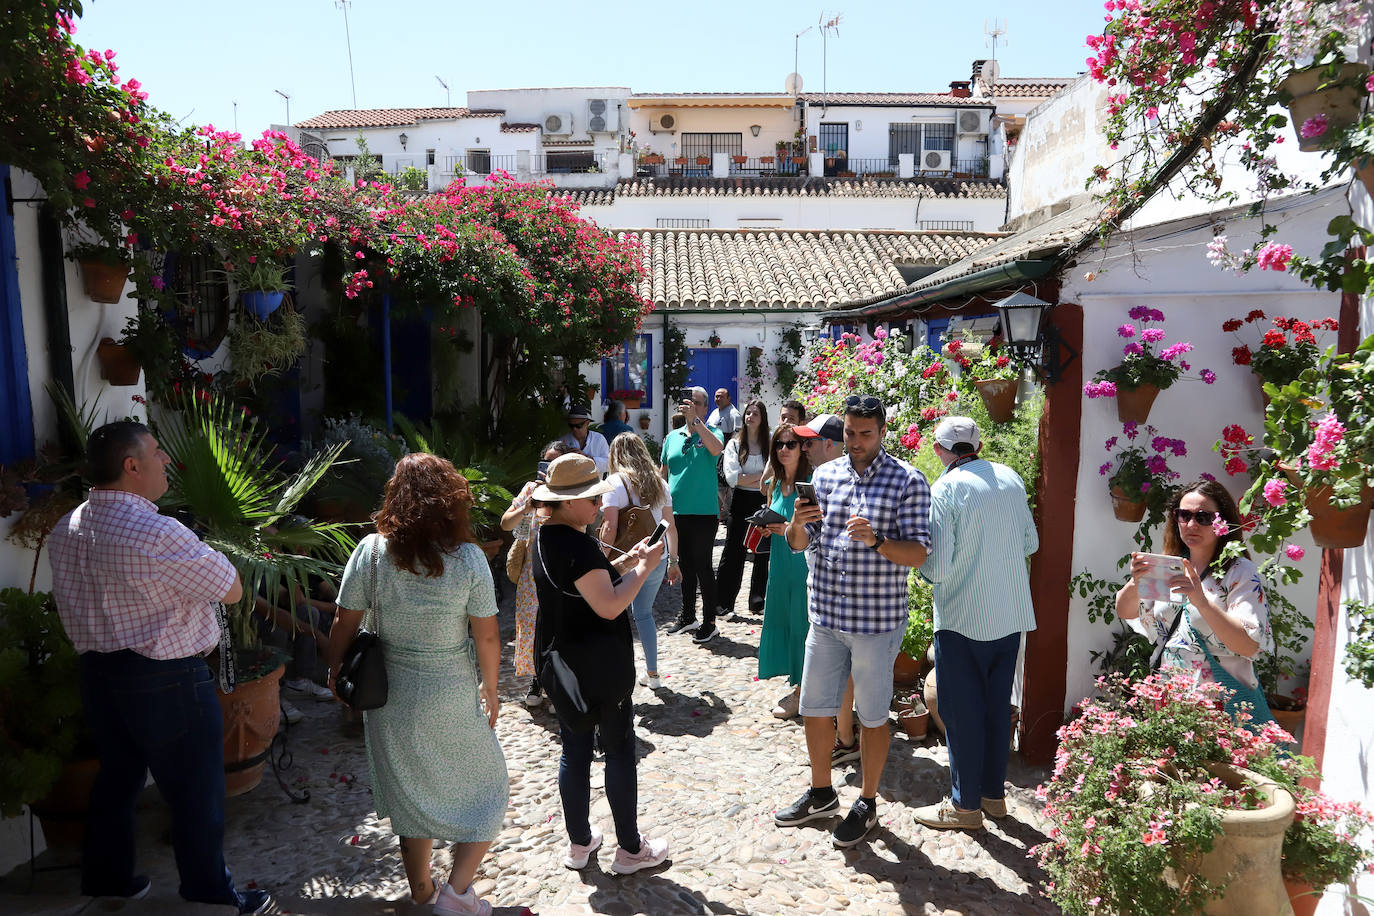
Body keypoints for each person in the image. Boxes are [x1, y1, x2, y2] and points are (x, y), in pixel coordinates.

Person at [46, 421, 271, 914]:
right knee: (195, 787)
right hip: (164, 675)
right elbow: (230, 588)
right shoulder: (154, 529)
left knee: (118, 778)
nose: (166, 459)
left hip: (99, 673)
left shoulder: (68, 527)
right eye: (156, 452)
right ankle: (211, 894)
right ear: (132, 466)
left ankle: (108, 879)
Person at [327, 454, 508, 915]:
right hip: (450, 691)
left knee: (410, 791)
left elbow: (344, 621)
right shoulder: (468, 559)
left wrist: (334, 672)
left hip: (389, 693)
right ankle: (456, 893)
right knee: (490, 790)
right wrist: (492, 688)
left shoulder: (370, 552)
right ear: (452, 502)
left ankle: (423, 893)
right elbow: (486, 634)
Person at [775, 394, 931, 848]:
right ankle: (822, 792)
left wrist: (879, 540)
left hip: (875, 621)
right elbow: (798, 543)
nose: (856, 441)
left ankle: (867, 802)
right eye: (849, 432)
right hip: (825, 614)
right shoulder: (823, 476)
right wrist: (799, 524)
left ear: (883, 432)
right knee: (816, 707)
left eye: (866, 433)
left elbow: (920, 553)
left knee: (873, 714)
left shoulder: (907, 481)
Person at [531, 454, 671, 875]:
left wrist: (626, 562)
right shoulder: (575, 543)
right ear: (568, 502)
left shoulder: (547, 535)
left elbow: (588, 583)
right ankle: (631, 849)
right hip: (599, 665)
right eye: (591, 498)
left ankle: (579, 843)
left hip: (563, 662)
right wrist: (644, 569)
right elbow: (608, 605)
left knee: (574, 751)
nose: (598, 505)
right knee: (618, 750)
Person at [911, 417, 1039, 832]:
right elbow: (1030, 543)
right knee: (996, 707)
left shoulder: (945, 488)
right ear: (978, 443)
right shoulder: (1010, 477)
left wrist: (920, 570)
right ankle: (993, 796)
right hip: (1010, 612)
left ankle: (965, 806)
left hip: (964, 615)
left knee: (962, 711)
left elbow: (939, 566)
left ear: (939, 450)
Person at [1116, 479, 1274, 719]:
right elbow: (1126, 611)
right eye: (1183, 515)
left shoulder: (1239, 571)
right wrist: (1135, 584)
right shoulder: (1171, 565)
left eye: (1203, 517)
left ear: (1223, 522)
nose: (1191, 524)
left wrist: (1201, 601)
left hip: (1220, 706)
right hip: (1168, 699)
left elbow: (1248, 644)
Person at [793, 412, 859, 760]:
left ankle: (846, 737)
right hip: (823, 586)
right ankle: (844, 733)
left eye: (809, 442)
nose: (804, 448)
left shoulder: (844, 483)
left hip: (838, 593)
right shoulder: (822, 480)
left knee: (841, 667)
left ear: (830, 444)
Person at [600, 435, 680, 688]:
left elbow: (610, 527)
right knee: (644, 614)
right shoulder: (660, 483)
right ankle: (653, 674)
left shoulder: (614, 483)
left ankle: (616, 674)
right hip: (656, 556)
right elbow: (671, 527)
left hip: (625, 559)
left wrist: (600, 560)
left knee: (614, 615)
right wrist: (673, 561)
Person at [501, 440, 575, 708]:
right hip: (532, 573)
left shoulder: (572, 491)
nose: (547, 468)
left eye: (554, 463)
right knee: (531, 626)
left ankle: (558, 685)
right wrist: (528, 506)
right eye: (545, 462)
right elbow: (506, 522)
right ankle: (537, 678)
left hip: (563, 570)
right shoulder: (531, 490)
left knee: (560, 627)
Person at [660, 386, 725, 642]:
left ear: (705, 408)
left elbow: (716, 448)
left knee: (702, 566)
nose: (691, 406)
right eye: (688, 402)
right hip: (677, 512)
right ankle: (688, 616)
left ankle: (709, 621)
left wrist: (696, 423)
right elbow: (663, 471)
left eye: (697, 403)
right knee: (683, 565)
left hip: (703, 512)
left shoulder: (711, 432)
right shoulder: (672, 437)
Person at [757, 422, 813, 718]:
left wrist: (785, 530)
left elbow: (816, 527)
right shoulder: (776, 484)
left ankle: (804, 692)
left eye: (790, 444)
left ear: (802, 448)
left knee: (802, 624)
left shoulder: (811, 482)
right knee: (787, 623)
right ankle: (797, 683)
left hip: (801, 564)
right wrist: (769, 528)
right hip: (779, 563)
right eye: (779, 444)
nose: (783, 450)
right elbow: (777, 518)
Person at [716, 400, 772, 617]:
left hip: (763, 500)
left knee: (762, 553)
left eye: (755, 413)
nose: (750, 417)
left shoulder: (769, 442)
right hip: (740, 502)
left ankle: (757, 601)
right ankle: (723, 602)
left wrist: (749, 478)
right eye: (748, 413)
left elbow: (776, 473)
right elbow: (732, 478)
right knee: (733, 551)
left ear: (762, 417)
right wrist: (763, 478)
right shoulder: (735, 444)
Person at [560, 405, 610, 476]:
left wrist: (586, 459)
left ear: (587, 423)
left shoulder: (599, 439)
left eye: (578, 426)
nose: (575, 429)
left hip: (595, 484)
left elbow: (608, 464)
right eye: (571, 426)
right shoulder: (563, 440)